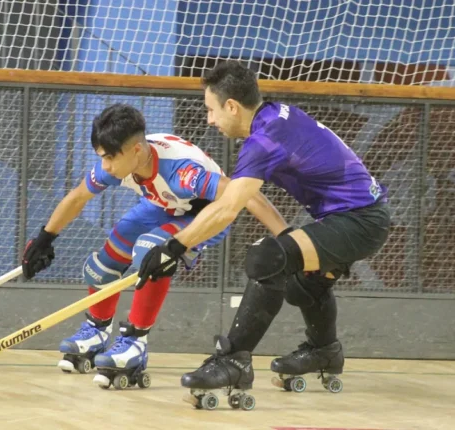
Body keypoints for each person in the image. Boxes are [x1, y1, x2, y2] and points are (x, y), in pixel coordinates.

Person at [136, 60, 391, 406]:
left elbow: (228, 207)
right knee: (303, 282)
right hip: (355, 216)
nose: (209, 120)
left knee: (268, 257)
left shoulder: (264, 139)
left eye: (211, 110)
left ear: (232, 106)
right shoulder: (275, 116)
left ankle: (233, 361)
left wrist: (173, 247)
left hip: (360, 221)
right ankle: (325, 351)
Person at [21, 103, 287, 389]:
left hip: (203, 214)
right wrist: (46, 237)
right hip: (162, 204)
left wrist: (288, 239)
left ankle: (135, 342)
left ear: (136, 150)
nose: (105, 166)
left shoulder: (182, 172)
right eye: (101, 157)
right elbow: (77, 197)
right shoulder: (119, 162)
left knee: (152, 252)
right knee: (103, 264)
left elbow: (246, 195)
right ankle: (97, 331)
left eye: (109, 157)